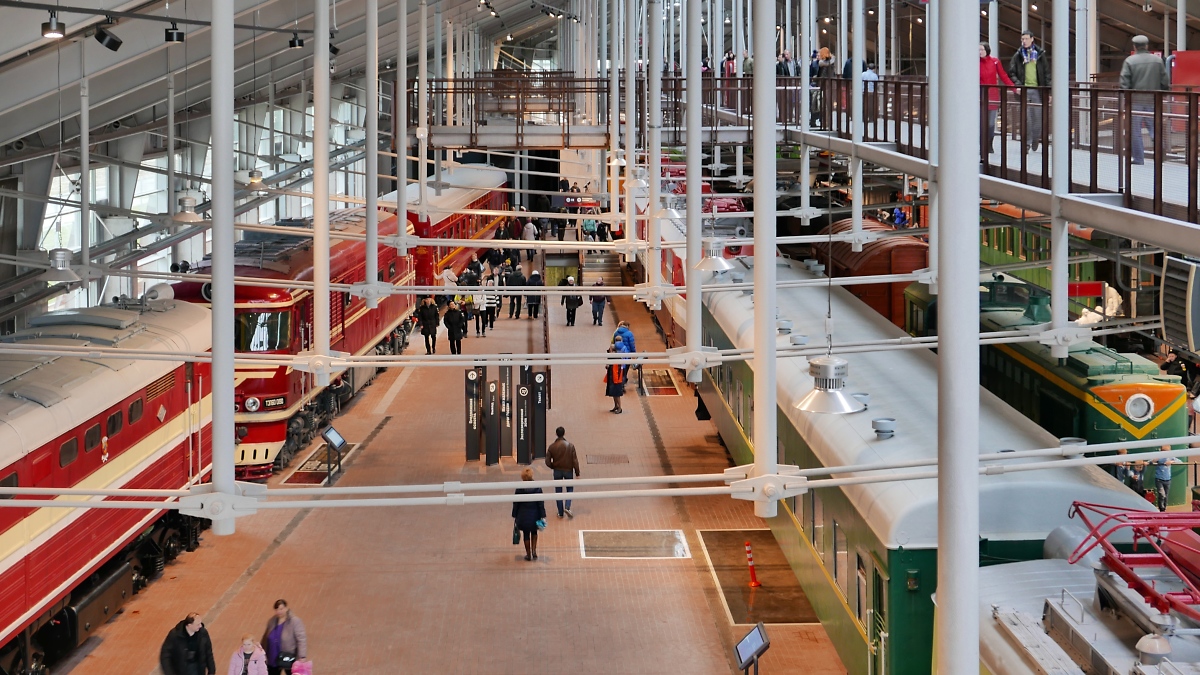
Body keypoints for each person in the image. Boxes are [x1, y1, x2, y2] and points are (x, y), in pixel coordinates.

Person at [1120, 35, 1170, 165]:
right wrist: (1163, 93)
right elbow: (1165, 80)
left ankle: (1139, 159)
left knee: (1135, 131)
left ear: (1134, 46)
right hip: (1154, 100)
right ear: (1146, 46)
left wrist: (1126, 97)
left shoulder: (1129, 61)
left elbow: (1124, 83)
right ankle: (1160, 156)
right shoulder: (1157, 61)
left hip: (1135, 101)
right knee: (1155, 129)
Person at [1008, 31, 1050, 153]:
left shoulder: (1040, 54)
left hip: (1038, 90)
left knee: (1038, 117)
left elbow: (1046, 74)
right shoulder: (1018, 55)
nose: (1024, 41)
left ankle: (1036, 138)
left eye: (1026, 39)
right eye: (1022, 39)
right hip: (1024, 90)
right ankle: (1027, 142)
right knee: (1026, 118)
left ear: (1032, 39)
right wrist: (1018, 85)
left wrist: (1049, 92)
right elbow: (1011, 72)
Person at [979, 43, 1017, 158]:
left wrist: (1014, 89)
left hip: (993, 96)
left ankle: (989, 144)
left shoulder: (995, 62)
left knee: (991, 123)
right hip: (980, 96)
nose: (980, 52)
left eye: (981, 50)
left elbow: (1003, 76)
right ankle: (982, 146)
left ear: (987, 50)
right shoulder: (974, 63)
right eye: (978, 50)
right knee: (981, 122)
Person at [262, 599, 308, 675]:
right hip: (273, 656)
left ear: (286, 608)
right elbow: (265, 638)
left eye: (281, 609)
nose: (279, 611)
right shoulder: (272, 621)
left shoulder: (295, 621)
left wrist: (302, 656)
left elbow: (301, 639)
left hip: (289, 657)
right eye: (277, 609)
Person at [545, 426, 580, 518]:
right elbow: (575, 460)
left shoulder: (552, 447)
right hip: (568, 470)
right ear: (564, 433)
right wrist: (577, 472)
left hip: (557, 471)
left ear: (556, 434)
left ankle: (560, 513)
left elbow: (547, 461)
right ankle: (567, 507)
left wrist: (553, 466)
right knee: (570, 488)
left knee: (558, 491)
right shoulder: (570, 446)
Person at [512, 468, 546, 561]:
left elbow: (516, 503)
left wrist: (514, 514)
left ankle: (528, 554)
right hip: (535, 514)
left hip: (523, 515)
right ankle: (534, 551)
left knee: (526, 534)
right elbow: (540, 503)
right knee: (534, 532)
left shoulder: (519, 489)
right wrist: (543, 515)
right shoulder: (537, 488)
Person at [605, 342, 627, 414]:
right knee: (613, 393)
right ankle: (616, 406)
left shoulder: (616, 357)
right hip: (612, 377)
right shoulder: (611, 356)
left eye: (610, 348)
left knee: (617, 394)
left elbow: (617, 368)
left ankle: (620, 407)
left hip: (616, 378)